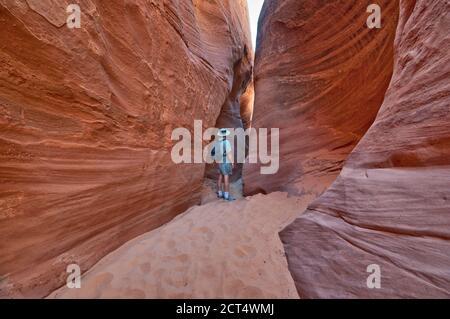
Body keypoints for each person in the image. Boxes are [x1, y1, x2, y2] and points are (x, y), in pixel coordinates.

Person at [212, 128, 235, 201]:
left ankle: (219, 193)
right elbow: (229, 154)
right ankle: (226, 195)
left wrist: (216, 160)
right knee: (226, 178)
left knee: (220, 177)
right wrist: (232, 162)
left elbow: (212, 153)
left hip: (220, 163)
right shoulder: (226, 142)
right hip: (226, 162)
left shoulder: (217, 142)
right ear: (225, 135)